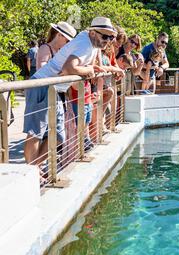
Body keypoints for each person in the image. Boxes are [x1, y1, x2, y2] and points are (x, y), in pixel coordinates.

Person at [23, 17, 116, 181]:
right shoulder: (85, 44)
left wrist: (93, 68)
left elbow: (79, 68)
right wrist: (88, 69)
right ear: (93, 33)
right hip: (41, 86)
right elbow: (68, 69)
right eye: (105, 36)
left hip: (55, 89)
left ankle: (34, 168)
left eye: (111, 37)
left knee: (59, 136)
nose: (108, 41)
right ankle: (32, 173)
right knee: (36, 133)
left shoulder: (91, 44)